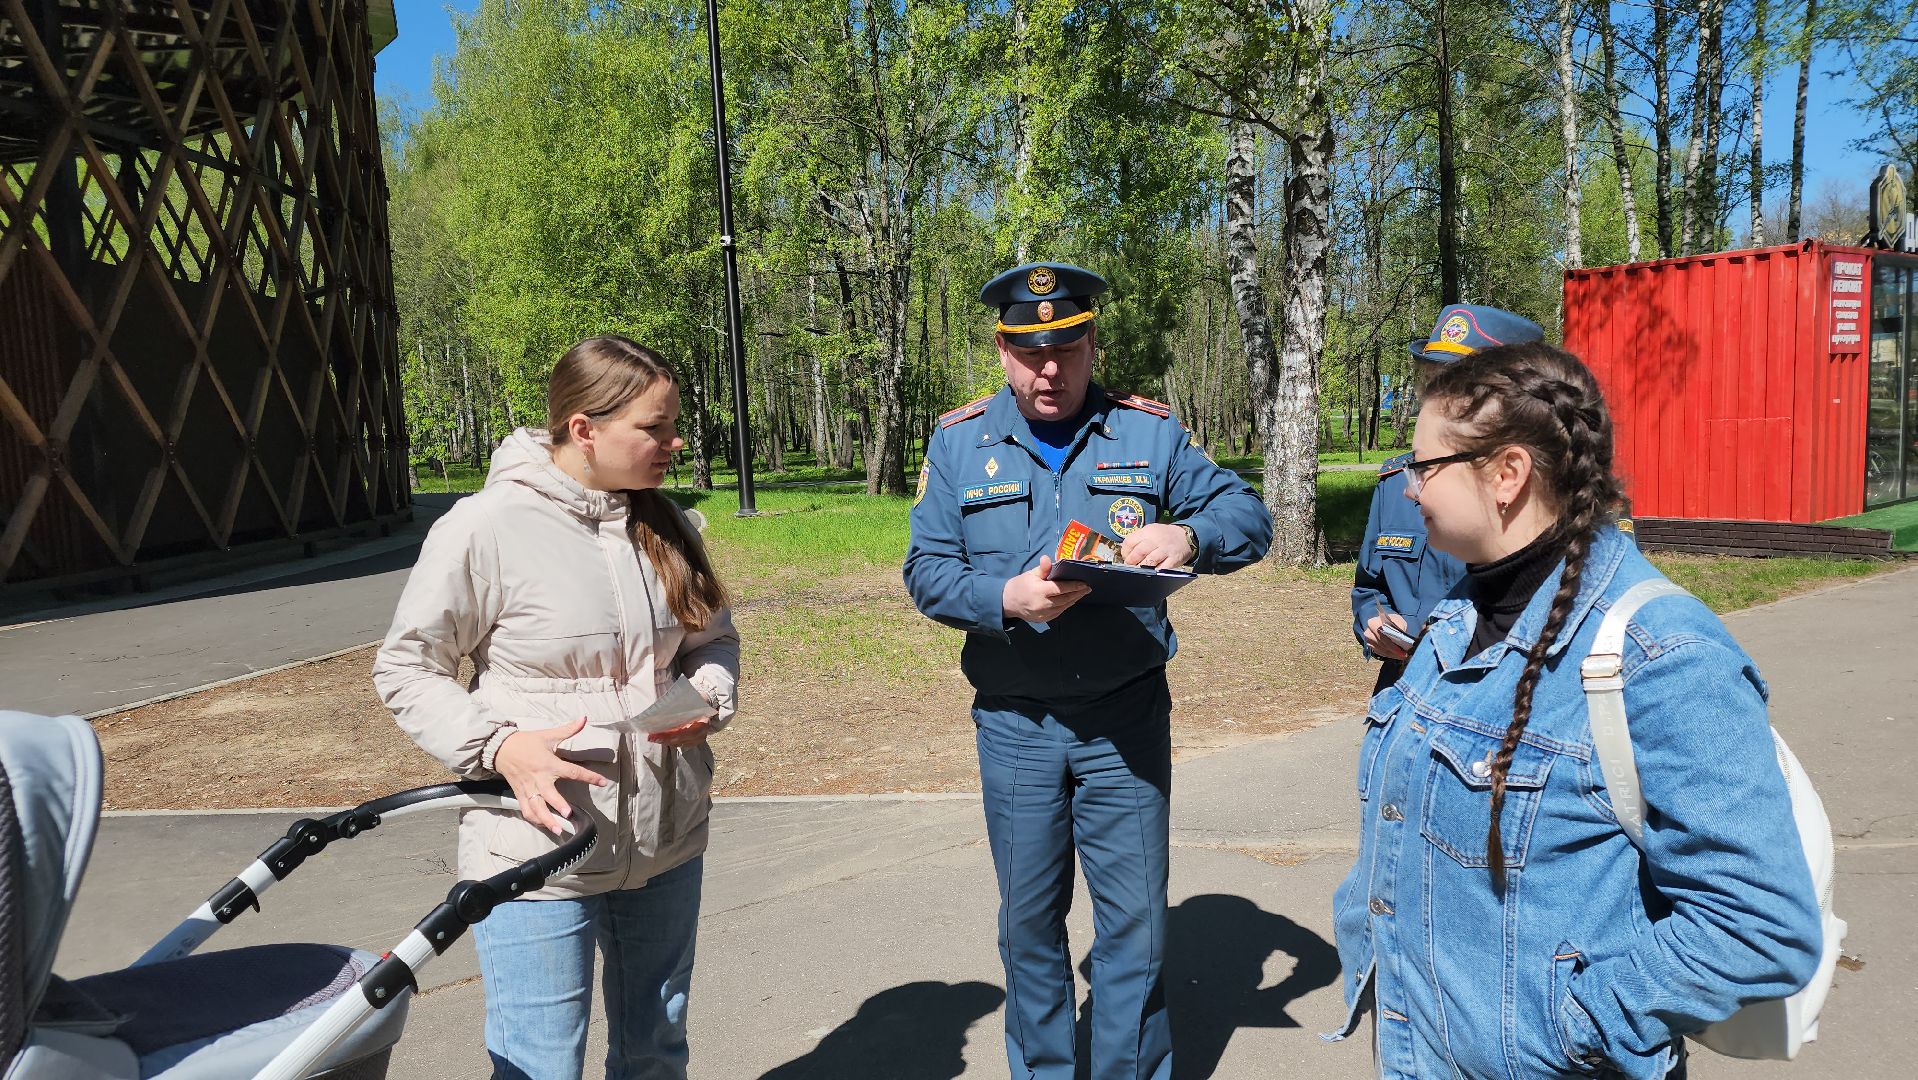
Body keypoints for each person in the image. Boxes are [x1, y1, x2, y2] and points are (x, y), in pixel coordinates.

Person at [1329, 342, 1822, 1079]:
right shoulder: (1459, 613)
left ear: (1507, 475)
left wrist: (1572, 1024)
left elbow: (1758, 925)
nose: (1406, 487)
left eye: (1423, 465)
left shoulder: (1663, 655)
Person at [903, 261, 1273, 1080]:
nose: (1049, 369)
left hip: (1123, 723)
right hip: (1016, 726)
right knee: (1029, 926)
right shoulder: (961, 443)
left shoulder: (1148, 434)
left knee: (1135, 928)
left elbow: (1248, 516)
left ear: (1091, 344)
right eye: (1030, 351)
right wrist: (1004, 596)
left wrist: (1190, 537)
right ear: (1002, 351)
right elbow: (925, 570)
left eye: (1067, 349)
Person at [374, 335, 738, 1080]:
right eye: (654, 427)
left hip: (666, 842)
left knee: (656, 1050)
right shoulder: (483, 528)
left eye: (673, 424)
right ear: (584, 429)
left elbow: (713, 642)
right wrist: (500, 748)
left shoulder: (672, 525)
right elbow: (407, 667)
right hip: (535, 851)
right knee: (541, 1064)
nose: (675, 442)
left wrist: (708, 693)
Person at [1352, 305, 1545, 694]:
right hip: (1407, 690)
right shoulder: (1396, 483)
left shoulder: (1552, 498)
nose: (1438, 405)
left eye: (1458, 390)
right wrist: (1375, 622)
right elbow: (1369, 585)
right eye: (1434, 384)